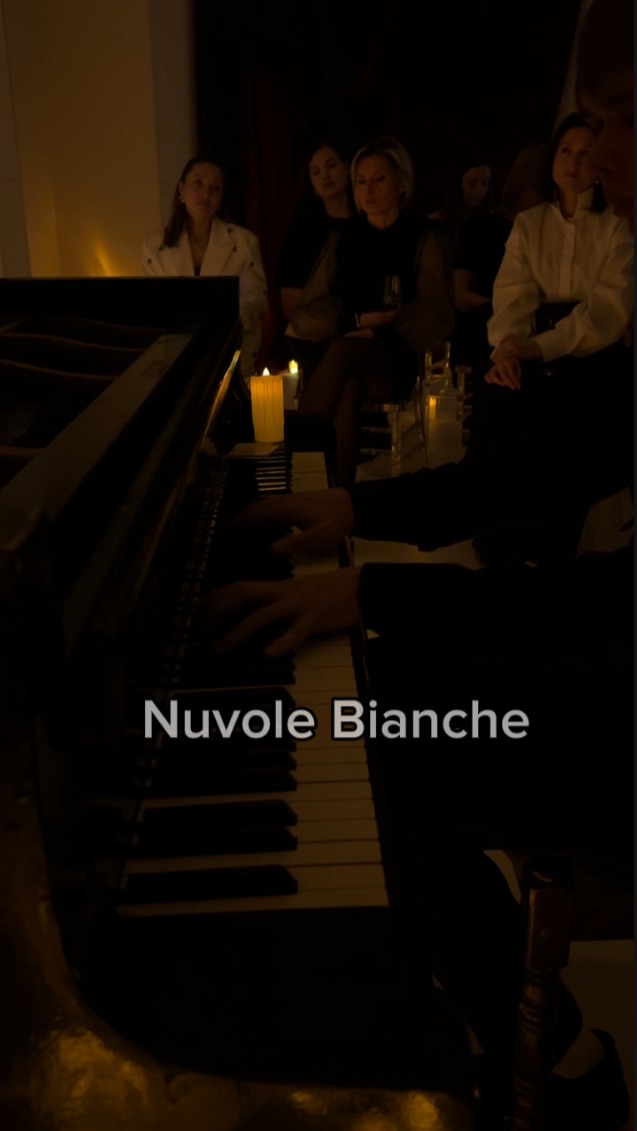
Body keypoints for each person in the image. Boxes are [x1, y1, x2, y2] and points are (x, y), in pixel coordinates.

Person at [288, 135, 453, 485]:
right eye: (361, 181)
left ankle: (291, 463)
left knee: (343, 351)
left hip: (393, 361)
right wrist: (358, 321)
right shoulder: (344, 239)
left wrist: (380, 329)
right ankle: (340, 495)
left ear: (401, 184)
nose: (368, 190)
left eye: (378, 179)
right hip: (348, 358)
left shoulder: (424, 237)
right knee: (348, 385)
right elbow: (306, 315)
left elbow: (435, 318)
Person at [485, 113, 633, 392]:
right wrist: (509, 350)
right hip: (533, 353)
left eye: (585, 154)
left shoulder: (619, 224)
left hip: (600, 361)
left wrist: (540, 347)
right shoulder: (529, 224)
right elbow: (512, 297)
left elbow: (609, 307)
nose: (573, 163)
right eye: (566, 151)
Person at [142, 156, 268, 375]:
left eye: (215, 188)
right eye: (198, 183)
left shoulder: (244, 243)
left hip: (229, 351)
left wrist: (234, 317)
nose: (206, 194)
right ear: (181, 188)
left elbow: (256, 295)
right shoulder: (155, 248)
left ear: (220, 199)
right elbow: (153, 302)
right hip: (176, 355)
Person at [276, 141, 354, 323]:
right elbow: (290, 301)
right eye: (316, 172)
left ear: (347, 168)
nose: (325, 176)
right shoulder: (302, 231)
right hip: (318, 326)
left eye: (331, 166)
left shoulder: (368, 221)